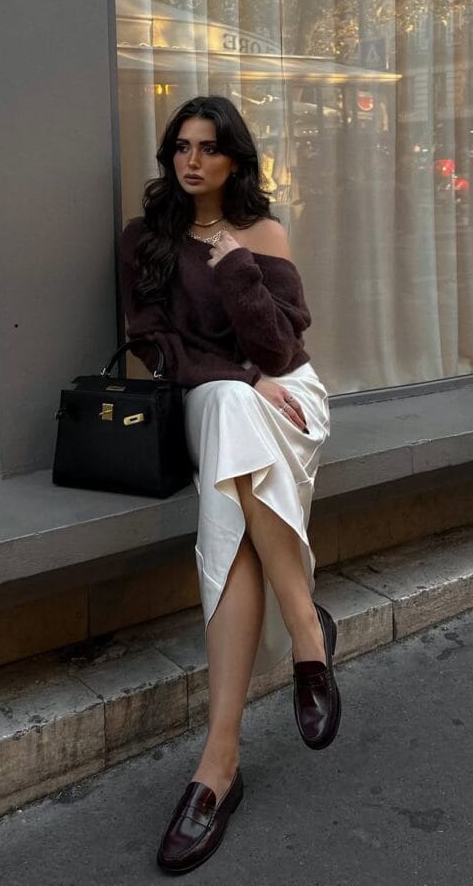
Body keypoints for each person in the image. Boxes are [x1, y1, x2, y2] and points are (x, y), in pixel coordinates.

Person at [120, 96, 339, 875]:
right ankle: (305, 628)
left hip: (289, 403)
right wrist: (243, 377)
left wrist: (236, 266)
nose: (191, 161)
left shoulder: (265, 234)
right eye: (180, 146)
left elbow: (283, 350)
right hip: (220, 404)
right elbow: (153, 346)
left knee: (228, 523)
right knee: (227, 405)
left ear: (235, 160)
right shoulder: (145, 240)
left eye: (209, 149)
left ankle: (217, 768)